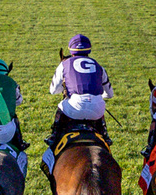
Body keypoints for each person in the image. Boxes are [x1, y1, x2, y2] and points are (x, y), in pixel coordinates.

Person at [43, 33, 112, 171]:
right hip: (97, 110)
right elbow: (109, 94)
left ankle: (54, 135)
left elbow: (53, 90)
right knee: (99, 104)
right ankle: (104, 134)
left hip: (73, 108)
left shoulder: (64, 64)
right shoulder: (98, 66)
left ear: (71, 50)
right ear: (89, 50)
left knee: (61, 105)